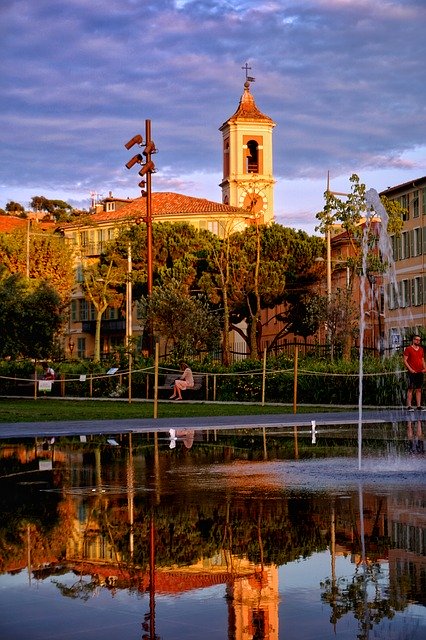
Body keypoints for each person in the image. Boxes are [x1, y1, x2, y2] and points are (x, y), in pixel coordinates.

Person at [403, 334, 426, 410]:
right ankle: (409, 406)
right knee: (410, 389)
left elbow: (422, 360)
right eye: (416, 340)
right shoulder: (408, 349)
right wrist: (410, 369)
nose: (418, 341)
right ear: (413, 340)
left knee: (419, 389)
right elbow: (405, 360)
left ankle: (418, 406)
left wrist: (425, 368)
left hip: (420, 371)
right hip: (411, 372)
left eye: (419, 340)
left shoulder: (421, 349)